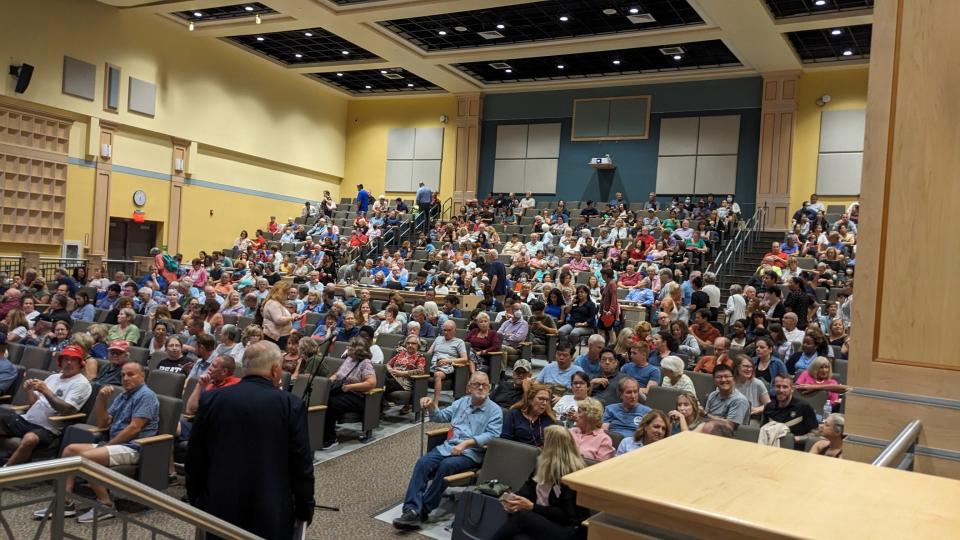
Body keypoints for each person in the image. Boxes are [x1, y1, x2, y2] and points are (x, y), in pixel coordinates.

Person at [187, 341, 315, 539]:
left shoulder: (212, 398)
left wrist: (196, 497)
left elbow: (196, 455)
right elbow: (301, 463)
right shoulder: (291, 404)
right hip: (271, 506)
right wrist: (305, 506)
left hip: (219, 503)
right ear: (275, 370)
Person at [45, 362, 159, 523]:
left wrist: (109, 444)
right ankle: (65, 501)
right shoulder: (123, 395)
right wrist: (101, 399)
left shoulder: (146, 395)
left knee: (87, 457)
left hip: (134, 447)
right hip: (115, 444)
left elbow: (134, 428)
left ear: (142, 376)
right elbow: (102, 424)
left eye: (130, 374)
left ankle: (105, 504)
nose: (125, 378)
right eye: (123, 375)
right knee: (70, 450)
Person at [393, 373, 502, 531]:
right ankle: (411, 509)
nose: (480, 387)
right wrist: (431, 405)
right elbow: (440, 417)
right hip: (448, 447)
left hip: (471, 453)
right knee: (423, 463)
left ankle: (422, 510)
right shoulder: (461, 403)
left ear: (489, 388)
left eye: (484, 385)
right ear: (469, 387)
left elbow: (492, 435)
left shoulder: (494, 410)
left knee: (446, 466)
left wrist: (466, 443)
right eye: (477, 384)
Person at [491, 426, 589, 540]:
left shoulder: (572, 475)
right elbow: (529, 487)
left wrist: (532, 507)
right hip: (543, 519)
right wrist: (514, 499)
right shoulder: (543, 464)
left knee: (523, 516)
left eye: (544, 442)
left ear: (552, 447)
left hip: (568, 529)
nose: (541, 445)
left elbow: (567, 516)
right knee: (519, 533)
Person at [0, 346, 92, 466]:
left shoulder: (81, 383)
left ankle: (6, 471)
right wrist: (29, 390)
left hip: (48, 428)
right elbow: (33, 404)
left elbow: (67, 409)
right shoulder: (53, 377)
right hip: (26, 420)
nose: (69, 363)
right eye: (66, 359)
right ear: (61, 362)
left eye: (73, 360)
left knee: (30, 439)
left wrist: (46, 391)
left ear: (81, 363)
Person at [322, 336, 378, 449]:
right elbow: (338, 374)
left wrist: (350, 387)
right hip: (342, 391)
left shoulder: (365, 363)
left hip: (357, 396)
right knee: (320, 398)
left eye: (351, 347)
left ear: (359, 350)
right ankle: (319, 434)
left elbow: (371, 383)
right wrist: (330, 380)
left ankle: (331, 438)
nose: (347, 348)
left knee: (331, 403)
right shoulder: (349, 359)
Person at [762, 373, 819, 439]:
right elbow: (763, 430)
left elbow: (815, 433)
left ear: (792, 389)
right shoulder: (769, 407)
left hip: (795, 447)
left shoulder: (804, 407)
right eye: (778, 386)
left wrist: (797, 439)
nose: (781, 390)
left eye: (785, 387)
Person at [428, 320, 468, 403]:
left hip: (446, 368)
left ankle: (435, 402)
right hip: (433, 364)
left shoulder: (459, 342)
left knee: (437, 374)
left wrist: (448, 361)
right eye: (444, 330)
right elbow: (428, 354)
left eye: (449, 330)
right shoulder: (438, 339)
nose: (446, 333)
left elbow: (465, 359)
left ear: (454, 331)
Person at [704, 364, 750, 430]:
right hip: (710, 431)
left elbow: (730, 426)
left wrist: (707, 415)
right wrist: (720, 420)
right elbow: (705, 420)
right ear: (714, 381)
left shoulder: (739, 400)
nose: (723, 380)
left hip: (729, 436)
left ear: (733, 379)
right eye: (719, 377)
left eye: (727, 376)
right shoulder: (713, 395)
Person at [568, 397, 615, 461]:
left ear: (589, 416)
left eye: (579, 412)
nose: (575, 415)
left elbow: (601, 467)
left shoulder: (603, 439)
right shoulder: (570, 432)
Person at [260, 281, 297, 350]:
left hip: (280, 336)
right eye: (286, 293)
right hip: (275, 338)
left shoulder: (276, 302)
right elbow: (278, 320)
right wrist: (291, 317)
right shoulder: (273, 303)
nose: (288, 296)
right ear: (281, 292)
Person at [733, 353, 770, 420]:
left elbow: (768, 405)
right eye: (746, 366)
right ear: (737, 367)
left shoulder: (758, 383)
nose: (749, 369)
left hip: (751, 418)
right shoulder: (728, 382)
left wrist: (758, 409)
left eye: (751, 367)